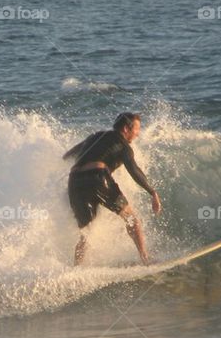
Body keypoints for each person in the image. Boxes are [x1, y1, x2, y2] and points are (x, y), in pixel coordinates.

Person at [63, 112, 161, 265]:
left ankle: (76, 269)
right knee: (132, 219)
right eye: (136, 129)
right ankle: (146, 258)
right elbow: (134, 170)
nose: (138, 133)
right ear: (126, 129)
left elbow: (68, 155)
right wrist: (152, 192)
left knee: (87, 232)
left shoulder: (94, 137)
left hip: (74, 182)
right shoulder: (123, 144)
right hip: (98, 177)